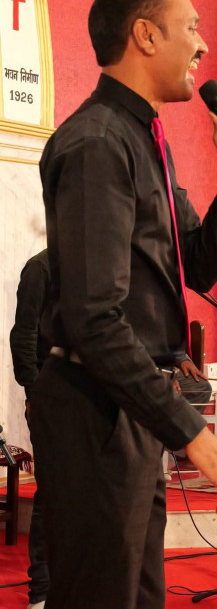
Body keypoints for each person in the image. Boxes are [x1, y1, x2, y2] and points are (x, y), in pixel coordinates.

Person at [30, 0, 217, 609]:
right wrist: (193, 432)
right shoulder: (99, 141)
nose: (203, 46)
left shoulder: (142, 138)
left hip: (127, 408)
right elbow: (94, 318)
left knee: (137, 594)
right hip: (94, 411)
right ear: (145, 35)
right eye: (191, 28)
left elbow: (195, 266)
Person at [9, 249, 51, 609]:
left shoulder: (100, 266)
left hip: (95, 403)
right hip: (51, 402)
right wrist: (36, 393)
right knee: (52, 494)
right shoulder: (40, 267)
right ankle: (41, 592)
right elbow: (23, 336)